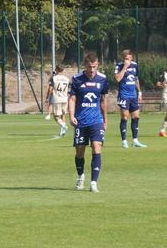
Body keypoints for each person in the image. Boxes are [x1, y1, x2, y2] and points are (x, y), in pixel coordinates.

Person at [69, 53, 108, 193]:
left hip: (96, 120)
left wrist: (105, 120)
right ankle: (80, 177)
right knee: (80, 150)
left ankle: (93, 183)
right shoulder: (76, 79)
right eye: (90, 66)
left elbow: (103, 101)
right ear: (84, 65)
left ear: (98, 65)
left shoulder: (103, 79)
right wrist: (71, 115)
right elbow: (72, 99)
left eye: (95, 67)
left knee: (97, 147)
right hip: (80, 121)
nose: (92, 69)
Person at [114, 49, 147, 148]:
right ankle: (124, 141)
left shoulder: (135, 65)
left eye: (128, 58)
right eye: (124, 58)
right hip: (124, 95)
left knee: (136, 117)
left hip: (133, 95)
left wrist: (139, 92)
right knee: (124, 117)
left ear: (131, 57)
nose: (126, 60)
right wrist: (125, 67)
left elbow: (136, 79)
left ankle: (135, 140)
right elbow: (117, 79)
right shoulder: (119, 66)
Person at [46, 65, 70, 136]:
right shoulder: (67, 79)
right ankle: (63, 131)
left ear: (56, 69)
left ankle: (64, 126)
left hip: (57, 98)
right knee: (63, 114)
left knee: (56, 116)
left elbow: (50, 89)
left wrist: (47, 97)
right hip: (65, 98)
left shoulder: (54, 78)